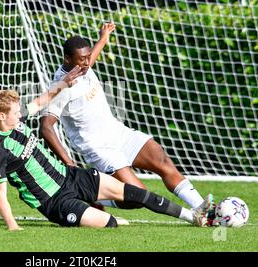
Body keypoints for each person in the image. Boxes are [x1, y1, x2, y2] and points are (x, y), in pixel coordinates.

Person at [0, 78, 214, 230]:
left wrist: (65, 81)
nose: (20, 115)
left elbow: (41, 100)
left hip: (70, 176)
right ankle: (94, 211)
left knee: (139, 195)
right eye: (15, 112)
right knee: (111, 225)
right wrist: (12, 226)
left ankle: (193, 215)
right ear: (2, 117)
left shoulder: (15, 120)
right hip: (54, 200)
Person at [39, 22, 215, 217]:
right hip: (99, 148)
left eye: (88, 57)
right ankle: (90, 194)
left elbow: (92, 56)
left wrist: (103, 38)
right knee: (136, 197)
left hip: (118, 133)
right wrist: (69, 162)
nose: (87, 63)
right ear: (67, 58)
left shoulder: (83, 67)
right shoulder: (61, 86)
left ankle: (203, 209)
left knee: (161, 159)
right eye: (82, 59)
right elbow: (46, 127)